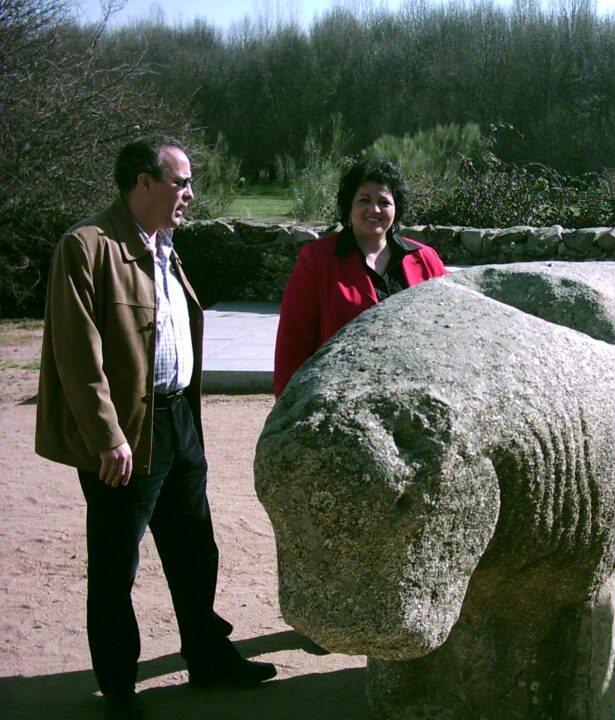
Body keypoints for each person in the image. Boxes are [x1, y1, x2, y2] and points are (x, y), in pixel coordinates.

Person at [35, 136, 276, 720]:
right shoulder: (88, 246)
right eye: (181, 182)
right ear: (143, 183)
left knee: (195, 548)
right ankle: (118, 688)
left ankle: (207, 655)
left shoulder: (163, 244)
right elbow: (76, 352)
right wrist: (106, 436)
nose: (190, 194)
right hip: (125, 435)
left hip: (177, 423)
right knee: (117, 564)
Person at [273, 158, 448, 397]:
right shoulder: (317, 260)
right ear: (349, 206)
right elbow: (293, 341)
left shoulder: (425, 259)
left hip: (413, 394)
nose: (374, 210)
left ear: (396, 209)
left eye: (384, 202)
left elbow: (447, 331)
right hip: (340, 396)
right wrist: (288, 406)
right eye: (364, 200)